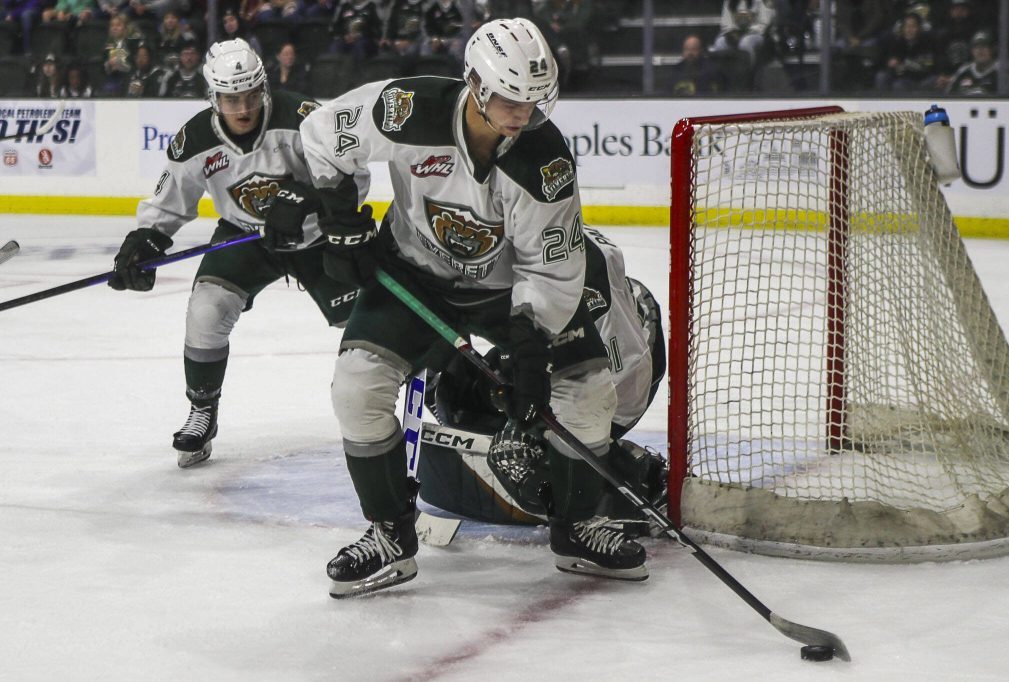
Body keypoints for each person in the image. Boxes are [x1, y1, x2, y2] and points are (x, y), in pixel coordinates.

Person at [298, 16, 647, 599]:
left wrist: (531, 346)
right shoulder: (408, 110)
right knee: (357, 388)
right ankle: (390, 535)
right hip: (413, 278)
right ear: (475, 84)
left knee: (586, 388)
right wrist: (341, 220)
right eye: (509, 98)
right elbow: (321, 131)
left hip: (504, 294)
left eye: (534, 102)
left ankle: (580, 527)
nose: (521, 114)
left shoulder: (545, 159)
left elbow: (552, 266)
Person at [107, 39, 360, 468]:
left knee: (364, 320)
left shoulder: (304, 118)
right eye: (230, 99)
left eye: (249, 96)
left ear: (263, 88)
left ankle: (429, 388)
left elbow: (352, 178)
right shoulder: (196, 139)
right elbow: (168, 203)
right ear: (213, 97)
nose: (242, 109)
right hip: (244, 237)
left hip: (316, 239)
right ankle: (203, 409)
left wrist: (307, 200)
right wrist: (144, 241)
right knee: (206, 311)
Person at [418, 227, 667, 532]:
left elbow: (604, 367)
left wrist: (541, 424)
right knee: (454, 395)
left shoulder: (562, 263)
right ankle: (572, 461)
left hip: (619, 371)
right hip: (576, 335)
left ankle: (635, 483)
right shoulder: (523, 232)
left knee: (517, 454)